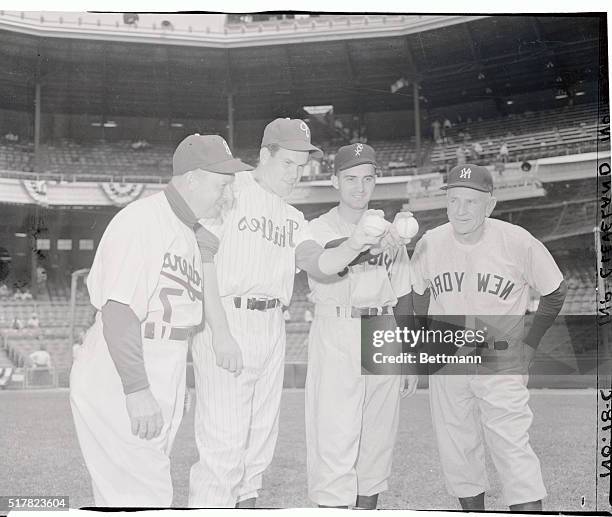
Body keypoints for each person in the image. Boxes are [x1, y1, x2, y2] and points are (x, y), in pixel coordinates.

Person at [189, 119, 402, 508]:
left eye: (301, 166)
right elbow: (199, 252)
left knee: (256, 452)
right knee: (223, 450)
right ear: (264, 154)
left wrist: (355, 243)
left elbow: (319, 263)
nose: (295, 173)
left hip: (272, 326)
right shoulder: (231, 189)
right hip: (229, 318)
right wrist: (218, 331)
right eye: (287, 162)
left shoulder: (292, 218)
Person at [70, 134, 252, 507]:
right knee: (144, 496)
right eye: (221, 185)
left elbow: (178, 317)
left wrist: (171, 379)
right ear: (192, 179)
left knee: (131, 495)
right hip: (122, 367)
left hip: (161, 362)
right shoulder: (140, 220)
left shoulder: (187, 231)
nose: (226, 196)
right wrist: (137, 388)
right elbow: (119, 310)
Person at [410, 163, 567, 512]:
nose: (460, 210)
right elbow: (417, 291)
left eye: (470, 201)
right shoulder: (431, 242)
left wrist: (530, 343)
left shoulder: (517, 241)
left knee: (511, 445)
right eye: (453, 201)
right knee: (457, 448)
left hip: (499, 354)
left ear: (490, 205)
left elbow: (555, 291)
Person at [305, 143, 418, 509]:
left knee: (377, 440)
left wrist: (411, 355)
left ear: (375, 182)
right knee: (335, 436)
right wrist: (372, 242)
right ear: (334, 181)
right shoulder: (317, 228)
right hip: (338, 326)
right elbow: (331, 256)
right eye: (350, 179)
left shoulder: (391, 233)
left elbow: (404, 294)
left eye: (367, 179)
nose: (359, 187)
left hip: (382, 328)